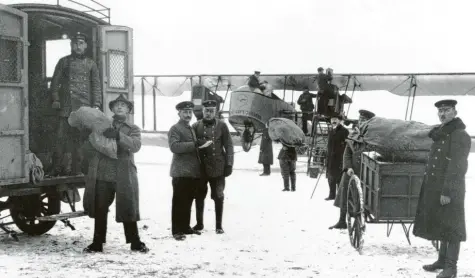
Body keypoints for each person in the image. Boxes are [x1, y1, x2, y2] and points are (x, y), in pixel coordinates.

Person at [82, 94, 149, 253]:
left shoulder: (133, 129)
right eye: (117, 105)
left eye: (123, 105)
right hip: (104, 172)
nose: (120, 107)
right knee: (100, 207)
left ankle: (135, 242)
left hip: (124, 173)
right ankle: (97, 243)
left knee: (128, 206)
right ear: (112, 109)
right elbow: (92, 145)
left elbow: (135, 146)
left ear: (128, 110)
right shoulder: (103, 125)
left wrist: (119, 136)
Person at [413, 99, 471, 278]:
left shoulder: (459, 134)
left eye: (446, 110)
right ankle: (442, 260)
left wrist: (447, 191)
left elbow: (457, 166)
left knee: (452, 227)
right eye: (440, 111)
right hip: (437, 187)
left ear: (455, 111)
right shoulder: (443, 133)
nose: (442, 114)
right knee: (442, 223)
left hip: (450, 189)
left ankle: (451, 268)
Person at [50, 32, 102, 176]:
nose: (78, 46)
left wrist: (96, 104)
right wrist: (56, 99)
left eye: (80, 43)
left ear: (85, 46)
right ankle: (56, 169)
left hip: (83, 108)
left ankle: (77, 170)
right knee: (60, 138)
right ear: (71, 45)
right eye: (75, 43)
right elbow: (55, 82)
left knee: (80, 140)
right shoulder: (64, 62)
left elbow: (96, 86)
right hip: (66, 107)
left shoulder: (91, 64)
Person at [192, 100, 234, 234]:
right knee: (199, 195)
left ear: (215, 112)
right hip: (200, 168)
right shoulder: (195, 126)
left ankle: (218, 226)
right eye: (206, 111)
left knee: (218, 196)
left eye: (211, 111)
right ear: (202, 111)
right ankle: (199, 224)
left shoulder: (222, 126)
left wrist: (229, 164)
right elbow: (192, 144)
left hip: (218, 167)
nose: (209, 113)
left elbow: (229, 145)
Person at [329, 109, 375, 229]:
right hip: (352, 170)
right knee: (344, 192)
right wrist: (348, 167)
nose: (361, 122)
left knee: (364, 197)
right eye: (360, 119)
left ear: (369, 122)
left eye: (364, 120)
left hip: (368, 172)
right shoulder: (354, 133)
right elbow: (347, 153)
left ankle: (358, 220)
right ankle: (342, 220)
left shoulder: (374, 135)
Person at [168, 101, 206, 240]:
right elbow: (174, 147)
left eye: (190, 112)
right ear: (179, 113)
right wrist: (195, 144)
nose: (188, 115)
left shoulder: (189, 128)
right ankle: (176, 230)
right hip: (180, 172)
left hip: (191, 172)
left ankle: (185, 227)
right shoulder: (175, 129)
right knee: (179, 202)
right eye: (185, 112)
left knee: (188, 201)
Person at [325, 113, 349, 200]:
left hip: (339, 159)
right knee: (330, 178)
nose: (333, 121)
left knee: (339, 178)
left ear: (339, 120)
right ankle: (332, 195)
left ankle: (339, 197)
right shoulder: (331, 131)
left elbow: (347, 146)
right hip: (330, 159)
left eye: (336, 119)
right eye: (332, 119)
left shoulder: (344, 131)